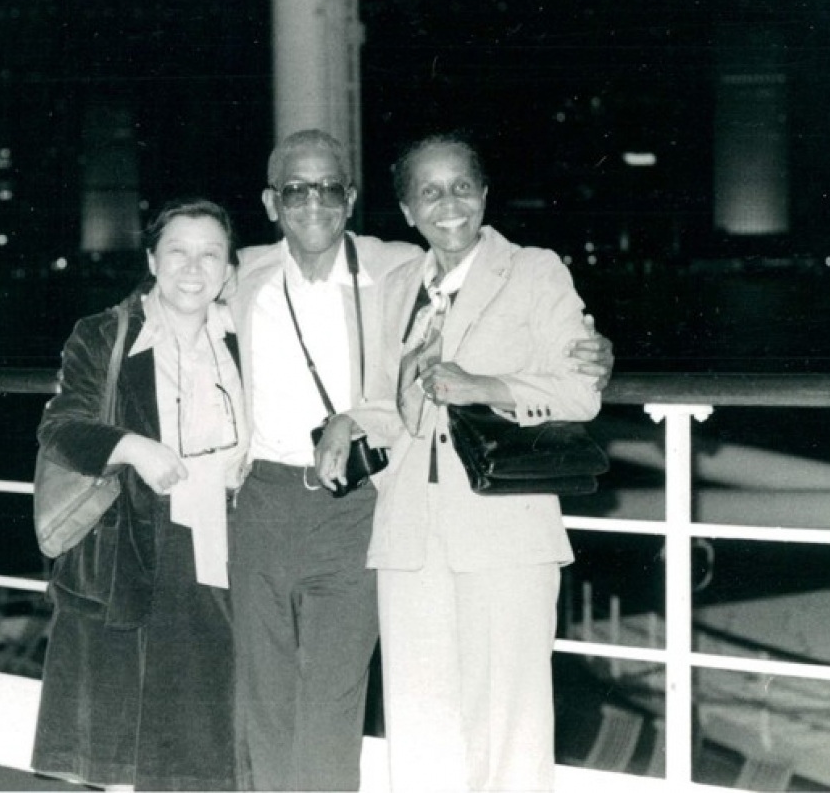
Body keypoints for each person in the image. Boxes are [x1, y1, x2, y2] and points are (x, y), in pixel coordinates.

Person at [228, 128, 614, 791]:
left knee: (509, 722)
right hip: (407, 536)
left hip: (503, 531)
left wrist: (485, 386)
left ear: (485, 194)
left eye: (461, 187)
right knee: (418, 720)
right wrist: (345, 423)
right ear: (407, 211)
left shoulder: (532, 270)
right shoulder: (396, 280)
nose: (448, 204)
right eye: (428, 192)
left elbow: (579, 388)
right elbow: (389, 401)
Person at [31, 198, 247, 791]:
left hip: (224, 546)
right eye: (177, 251)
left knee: (207, 726)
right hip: (130, 548)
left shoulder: (245, 338)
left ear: (230, 268)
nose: (193, 268)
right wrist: (131, 446)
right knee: (121, 733)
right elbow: (61, 427)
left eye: (211, 254)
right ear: (153, 258)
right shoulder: (106, 333)